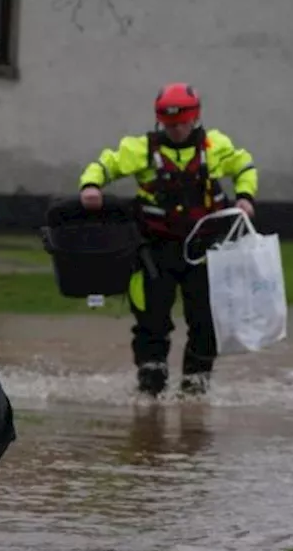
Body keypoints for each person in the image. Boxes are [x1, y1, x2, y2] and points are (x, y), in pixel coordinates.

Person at [77, 83, 258, 398]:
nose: (175, 130)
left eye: (181, 124)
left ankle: (194, 389)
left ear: (194, 118)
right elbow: (106, 164)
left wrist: (244, 198)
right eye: (169, 125)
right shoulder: (141, 149)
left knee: (205, 320)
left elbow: (244, 166)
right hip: (155, 250)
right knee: (151, 320)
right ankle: (151, 386)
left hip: (204, 252)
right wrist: (91, 185)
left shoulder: (215, 147)